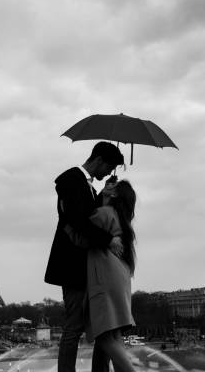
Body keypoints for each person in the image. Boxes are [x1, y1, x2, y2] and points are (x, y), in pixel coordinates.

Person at [44, 141, 125, 372]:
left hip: (83, 265)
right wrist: (109, 239)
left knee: (98, 326)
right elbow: (79, 220)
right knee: (75, 326)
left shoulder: (82, 184)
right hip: (74, 266)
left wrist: (103, 195)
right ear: (99, 160)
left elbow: (85, 213)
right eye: (108, 167)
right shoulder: (71, 181)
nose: (108, 173)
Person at [65, 180, 137, 372]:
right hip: (120, 277)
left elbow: (81, 236)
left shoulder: (104, 214)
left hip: (104, 278)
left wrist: (65, 219)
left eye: (114, 186)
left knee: (105, 337)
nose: (109, 185)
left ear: (115, 195)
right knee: (115, 337)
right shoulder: (123, 219)